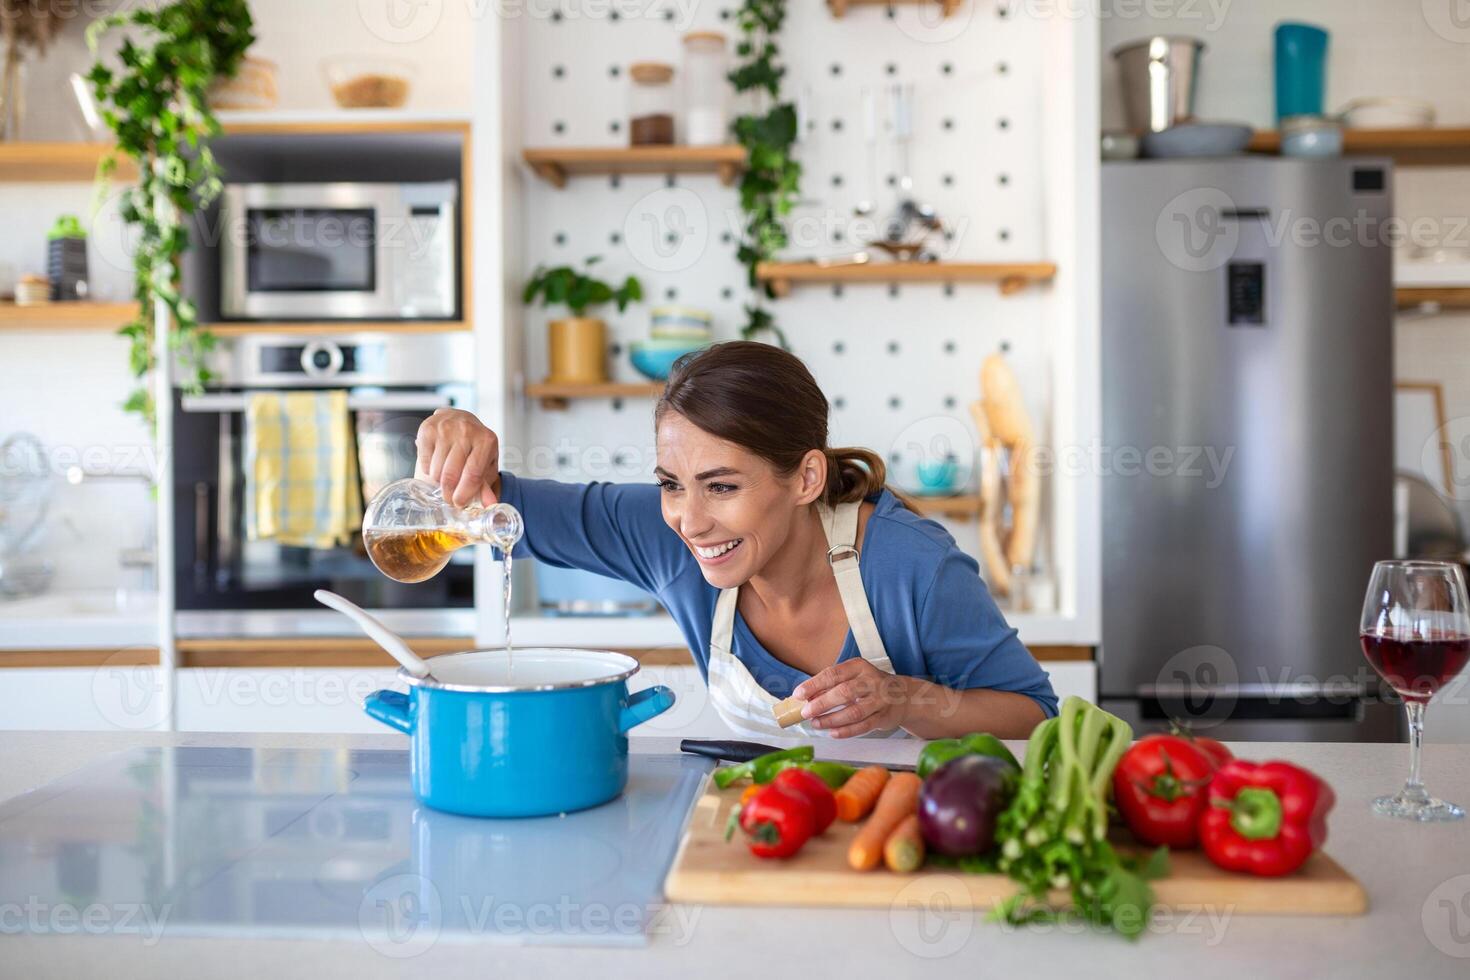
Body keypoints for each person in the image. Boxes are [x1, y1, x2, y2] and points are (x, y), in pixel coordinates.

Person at [415, 341, 1056, 739]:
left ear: (806, 476)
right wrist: (456, 443)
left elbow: (1033, 716)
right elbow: (493, 506)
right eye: (671, 483)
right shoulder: (666, 538)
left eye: (722, 487)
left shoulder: (912, 565)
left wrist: (905, 698)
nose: (690, 521)